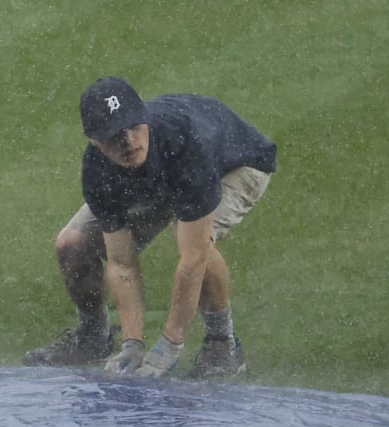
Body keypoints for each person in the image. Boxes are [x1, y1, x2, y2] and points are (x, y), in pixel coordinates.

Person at [23, 76, 277, 379]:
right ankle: (92, 339)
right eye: (113, 135)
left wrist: (170, 343)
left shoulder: (185, 141)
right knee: (72, 243)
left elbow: (193, 258)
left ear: (143, 115)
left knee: (197, 245)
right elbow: (121, 261)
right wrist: (133, 343)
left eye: (132, 125)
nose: (128, 140)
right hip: (152, 178)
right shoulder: (98, 170)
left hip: (234, 166)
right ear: (92, 139)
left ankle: (223, 343)